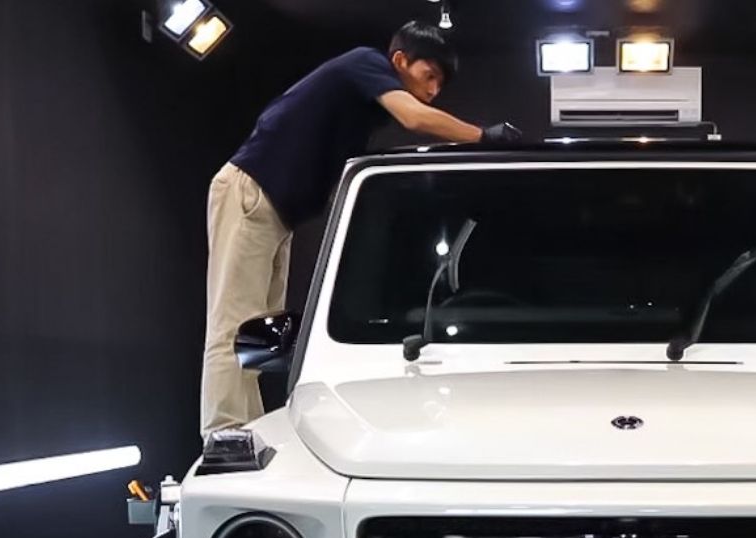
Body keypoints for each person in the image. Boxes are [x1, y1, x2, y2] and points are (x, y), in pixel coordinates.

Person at [200, 21, 521, 436]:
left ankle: (248, 432)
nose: (433, 90)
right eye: (429, 76)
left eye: (440, 84)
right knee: (233, 326)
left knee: (259, 336)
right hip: (251, 190)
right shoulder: (364, 62)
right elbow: (414, 117)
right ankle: (222, 434)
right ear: (399, 60)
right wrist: (485, 137)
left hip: (276, 212)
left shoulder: (361, 109)